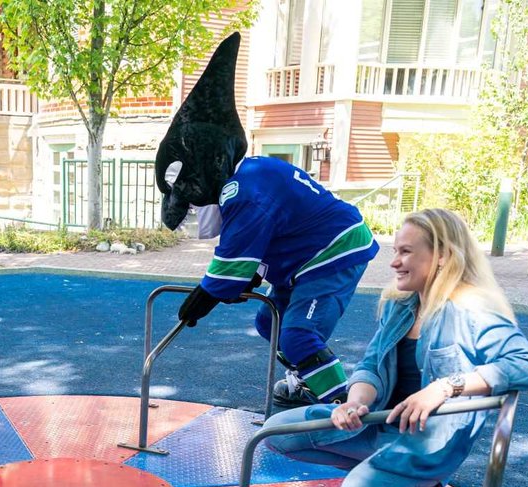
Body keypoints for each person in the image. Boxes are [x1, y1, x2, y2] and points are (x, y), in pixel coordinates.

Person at [266, 209, 528, 487]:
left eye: (405, 252)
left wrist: (445, 387)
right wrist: (355, 401)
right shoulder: (400, 306)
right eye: (396, 251)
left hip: (427, 440)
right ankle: (377, 472)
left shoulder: (473, 310)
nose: (395, 262)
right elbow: (370, 364)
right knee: (276, 431)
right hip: (379, 421)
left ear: (442, 256)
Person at [154, 34, 377, 409]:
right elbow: (268, 236)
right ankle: (308, 379)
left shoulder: (242, 192)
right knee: (267, 322)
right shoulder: (250, 176)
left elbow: (226, 274)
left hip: (331, 253)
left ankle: (345, 409)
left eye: (190, 201)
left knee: (298, 336)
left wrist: (202, 299)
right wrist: (247, 275)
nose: (192, 212)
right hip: (305, 257)